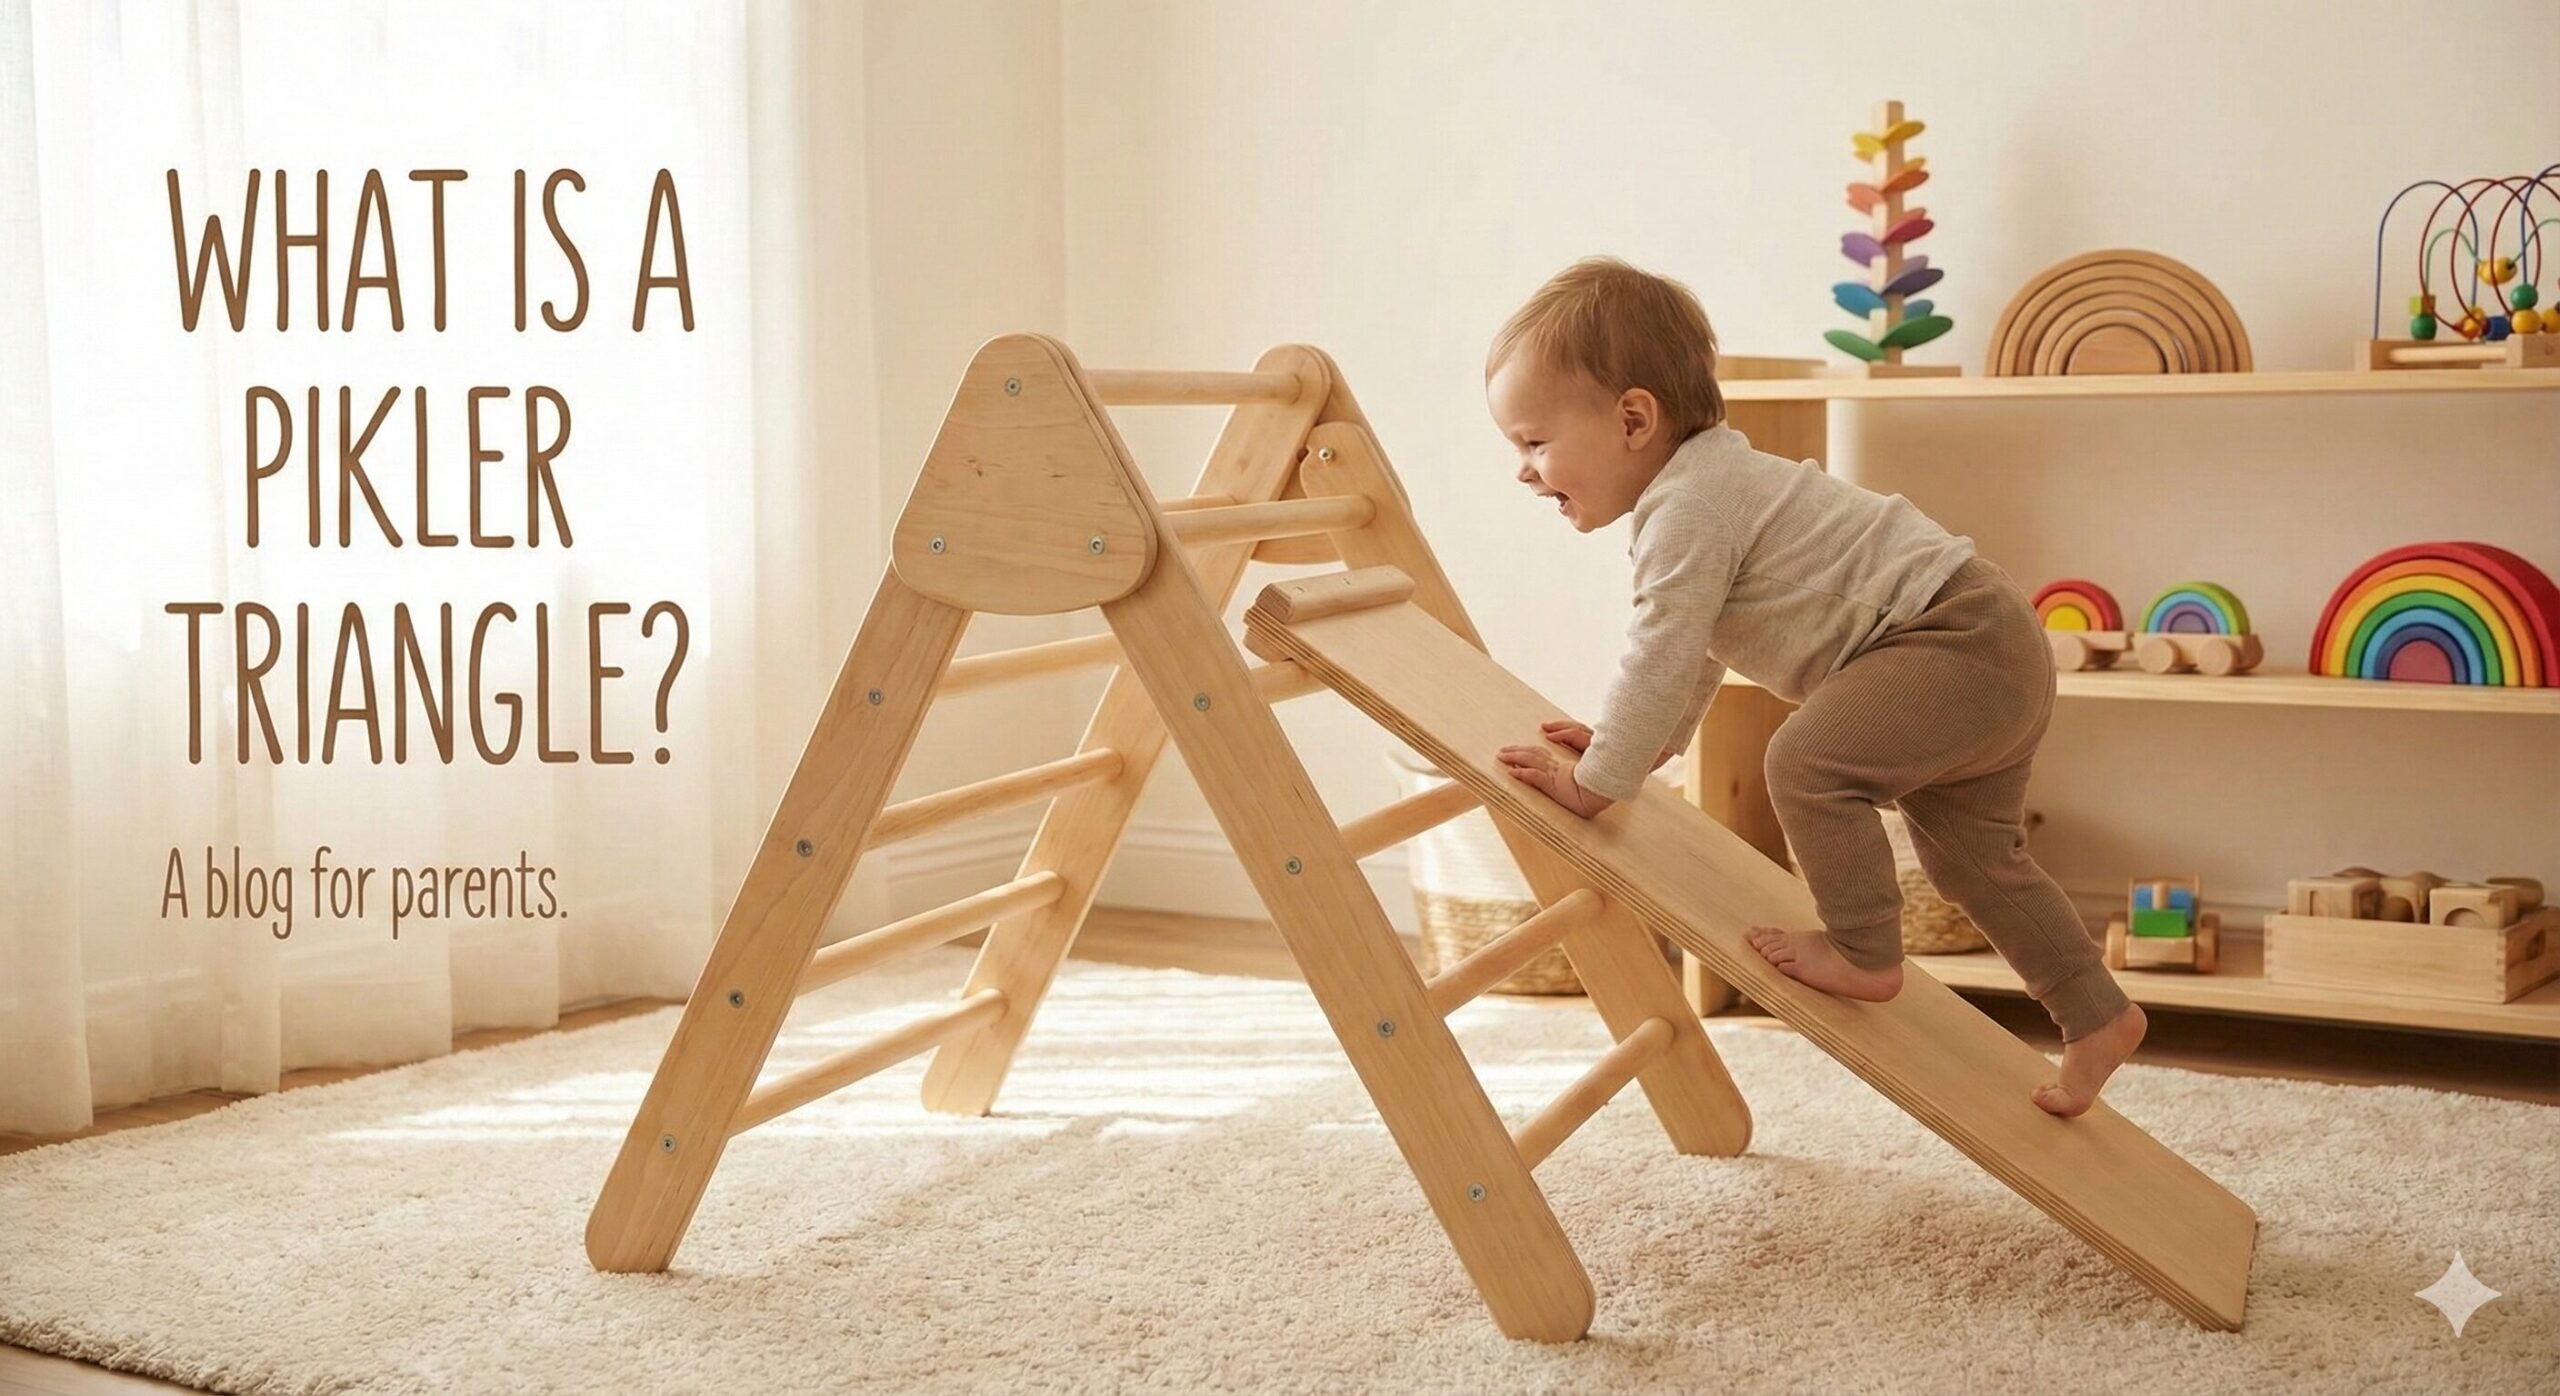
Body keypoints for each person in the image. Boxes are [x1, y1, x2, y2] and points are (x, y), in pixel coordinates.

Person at [1486, 256, 2146, 1116]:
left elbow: (1661, 648)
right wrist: (1642, 749)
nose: (1525, 471)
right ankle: (2095, 1014)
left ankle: (1865, 952)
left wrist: (1597, 781)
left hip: (1953, 640)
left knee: (1804, 761)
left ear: (1634, 419)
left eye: (1535, 442)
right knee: (1978, 862)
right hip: (1994, 646)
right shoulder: (1707, 488)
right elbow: (1696, 651)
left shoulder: (1687, 507)